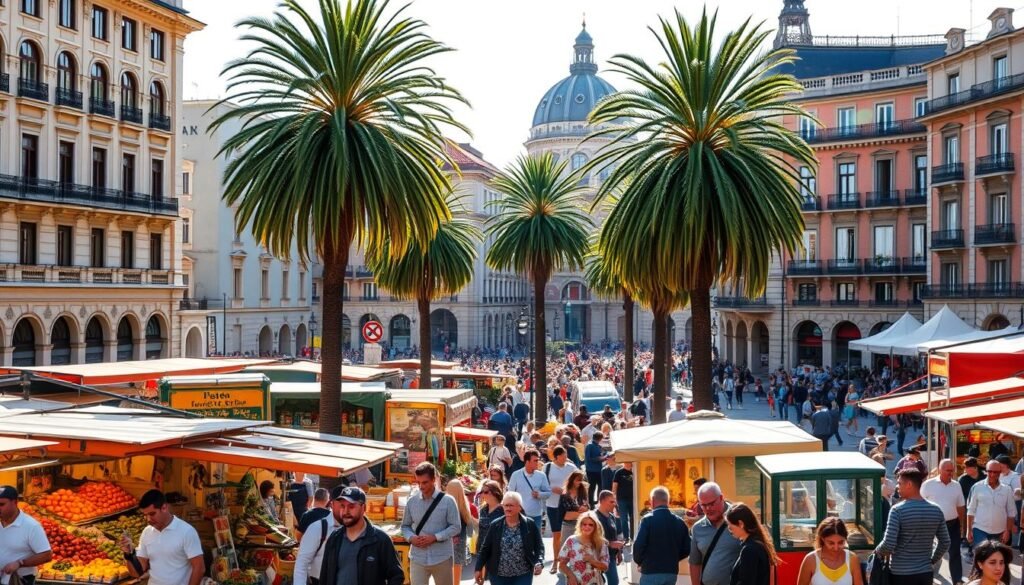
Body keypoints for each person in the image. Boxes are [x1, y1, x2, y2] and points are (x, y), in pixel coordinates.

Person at [874, 468, 950, 585]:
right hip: (925, 573)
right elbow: (945, 542)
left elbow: (888, 544)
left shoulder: (897, 510)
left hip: (900, 574)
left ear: (909, 484)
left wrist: (877, 551)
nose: (897, 487)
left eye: (899, 483)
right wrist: (931, 561)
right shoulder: (936, 510)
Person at [318, 486, 404, 585]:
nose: (345, 511)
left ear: (364, 508)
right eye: (342, 506)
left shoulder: (380, 539)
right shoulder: (335, 538)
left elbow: (397, 576)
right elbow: (324, 575)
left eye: (351, 506)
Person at [120, 489, 204, 585]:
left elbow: (199, 568)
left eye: (152, 514)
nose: (148, 519)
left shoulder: (186, 531)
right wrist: (128, 555)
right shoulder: (146, 532)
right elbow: (136, 573)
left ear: (164, 508)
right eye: (145, 515)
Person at [400, 462, 461, 585]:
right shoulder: (412, 502)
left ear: (433, 480)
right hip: (418, 557)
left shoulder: (448, 501)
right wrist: (411, 538)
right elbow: (405, 526)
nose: (421, 486)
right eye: (418, 482)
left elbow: (456, 527)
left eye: (425, 482)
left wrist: (435, 537)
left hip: (442, 557)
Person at [474, 492, 544, 585]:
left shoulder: (529, 524)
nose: (508, 508)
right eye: (505, 505)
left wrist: (539, 562)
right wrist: (478, 568)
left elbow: (539, 546)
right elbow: (485, 548)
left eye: (511, 505)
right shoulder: (495, 525)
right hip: (498, 576)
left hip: (523, 574)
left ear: (519, 507)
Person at [920, 459, 966, 584]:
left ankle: (957, 580)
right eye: (948, 470)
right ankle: (926, 577)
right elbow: (920, 503)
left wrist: (961, 525)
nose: (951, 473)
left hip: (952, 524)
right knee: (927, 551)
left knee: (955, 552)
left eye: (952, 470)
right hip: (931, 524)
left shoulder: (956, 485)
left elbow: (961, 506)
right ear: (940, 469)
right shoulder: (928, 484)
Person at [633, 486, 691, 585]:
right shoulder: (680, 522)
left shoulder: (647, 520)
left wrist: (640, 562)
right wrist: (673, 558)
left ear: (652, 501)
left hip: (650, 570)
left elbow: (639, 545)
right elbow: (687, 548)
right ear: (668, 501)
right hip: (671, 572)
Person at [689, 482, 743, 585]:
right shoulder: (697, 528)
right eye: (703, 505)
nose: (708, 508)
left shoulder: (739, 518)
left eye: (711, 503)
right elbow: (695, 563)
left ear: (721, 497)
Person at [0, 485, 52, 584]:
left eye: (1, 504)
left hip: (20, 580)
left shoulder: (31, 526)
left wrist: (20, 563)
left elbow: (47, 555)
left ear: (15, 502)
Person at [796, 517, 864, 585]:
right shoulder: (810, 560)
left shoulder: (852, 559)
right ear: (822, 539)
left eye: (840, 542)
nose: (836, 548)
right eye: (831, 543)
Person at [294, 488, 340, 584]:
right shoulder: (329, 518)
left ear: (315, 498)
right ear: (328, 501)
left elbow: (298, 536)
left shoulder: (307, 515)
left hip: (314, 573)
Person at [725, 503, 778, 585]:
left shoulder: (749, 550)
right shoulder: (759, 544)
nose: (729, 529)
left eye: (730, 525)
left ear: (741, 524)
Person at [544, 445, 579, 572]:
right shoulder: (547, 467)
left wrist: (567, 491)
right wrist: (551, 489)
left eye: (566, 455)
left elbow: (581, 482)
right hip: (552, 505)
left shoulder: (571, 467)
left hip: (569, 506)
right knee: (557, 535)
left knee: (573, 534)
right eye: (563, 456)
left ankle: (572, 561)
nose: (566, 458)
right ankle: (556, 561)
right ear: (556, 456)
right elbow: (543, 484)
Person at [966, 460, 1016, 547]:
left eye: (995, 472)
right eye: (989, 471)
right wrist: (969, 530)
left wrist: (1008, 531)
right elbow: (971, 510)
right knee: (981, 557)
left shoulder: (1007, 490)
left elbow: (1011, 512)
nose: (992, 474)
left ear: (1000, 472)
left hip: (1000, 532)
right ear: (986, 471)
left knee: (995, 558)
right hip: (979, 529)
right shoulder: (977, 487)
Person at [557, 511, 609, 585]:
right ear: (580, 525)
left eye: (591, 525)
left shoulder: (601, 543)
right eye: (584, 524)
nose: (587, 527)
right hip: (575, 582)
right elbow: (562, 565)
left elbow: (605, 567)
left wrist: (592, 561)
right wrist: (571, 576)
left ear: (596, 527)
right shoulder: (571, 540)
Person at [507, 449, 552, 527]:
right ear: (527, 462)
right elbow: (510, 494)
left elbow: (548, 493)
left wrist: (539, 494)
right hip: (519, 515)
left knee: (535, 538)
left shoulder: (541, 475)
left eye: (538, 460)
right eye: (535, 460)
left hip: (536, 515)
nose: (538, 462)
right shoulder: (516, 475)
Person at [445, 480, 478, 585]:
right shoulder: (465, 506)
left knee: (445, 570)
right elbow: (470, 531)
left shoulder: (444, 506)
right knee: (457, 569)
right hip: (459, 543)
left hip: (444, 543)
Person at [595, 490, 624, 585]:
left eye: (614, 501)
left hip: (611, 556)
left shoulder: (611, 516)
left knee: (614, 581)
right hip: (598, 556)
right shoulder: (594, 517)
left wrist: (618, 552)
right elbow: (592, 538)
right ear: (602, 501)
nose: (614, 504)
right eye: (611, 501)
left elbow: (615, 536)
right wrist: (610, 544)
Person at [559, 471, 590, 544]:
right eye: (578, 480)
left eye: (582, 480)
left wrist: (584, 510)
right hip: (568, 526)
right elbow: (566, 516)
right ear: (572, 480)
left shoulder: (583, 493)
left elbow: (587, 508)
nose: (580, 482)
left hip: (581, 526)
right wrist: (581, 513)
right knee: (567, 549)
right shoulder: (565, 495)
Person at [611, 461, 634, 539]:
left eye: (629, 461)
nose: (628, 463)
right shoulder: (619, 473)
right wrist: (614, 499)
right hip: (622, 500)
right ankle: (626, 537)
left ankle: (633, 536)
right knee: (623, 519)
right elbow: (614, 487)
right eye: (626, 461)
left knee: (633, 518)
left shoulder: (635, 471)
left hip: (633, 500)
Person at [584, 432, 604, 505]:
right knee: (592, 487)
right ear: (600, 438)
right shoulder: (589, 446)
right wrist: (600, 458)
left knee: (600, 486)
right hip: (591, 470)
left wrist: (603, 457)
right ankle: (591, 503)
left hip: (599, 469)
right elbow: (588, 459)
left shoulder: (598, 446)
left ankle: (599, 501)